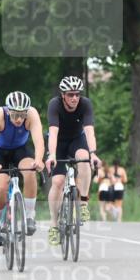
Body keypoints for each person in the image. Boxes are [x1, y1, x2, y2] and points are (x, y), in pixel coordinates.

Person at [44, 75, 101, 246]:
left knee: (84, 158)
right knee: (58, 181)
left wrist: (93, 153)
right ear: (63, 95)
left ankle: (83, 202)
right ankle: (54, 225)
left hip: (77, 140)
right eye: (70, 94)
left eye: (77, 94)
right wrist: (52, 155)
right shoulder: (55, 105)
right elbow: (53, 133)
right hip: (58, 143)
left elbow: (89, 131)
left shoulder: (85, 104)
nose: (74, 98)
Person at [0, 91, 45, 246]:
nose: (19, 119)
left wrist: (38, 160)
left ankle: (30, 216)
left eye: (22, 115)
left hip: (20, 150)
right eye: (15, 115)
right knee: (1, 186)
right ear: (8, 110)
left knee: (31, 172)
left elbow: (38, 142)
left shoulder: (32, 114)